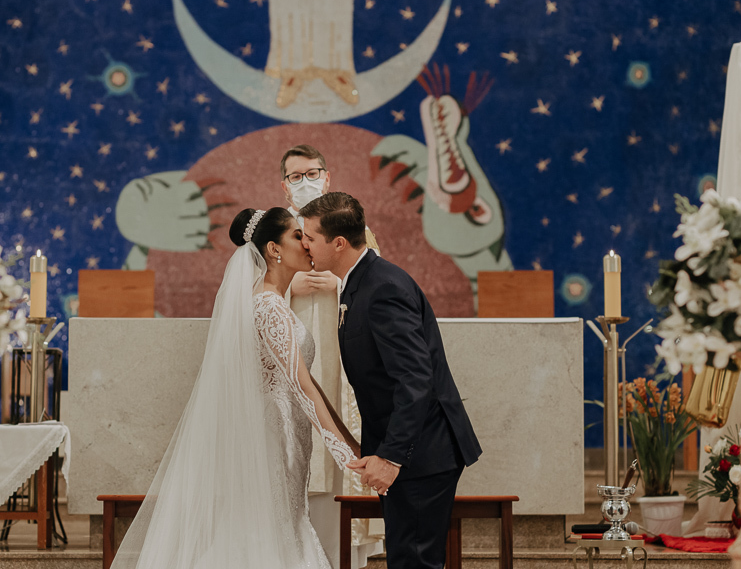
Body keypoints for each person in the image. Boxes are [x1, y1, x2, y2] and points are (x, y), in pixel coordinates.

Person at [111, 207, 359, 569]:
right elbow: (302, 384)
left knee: (275, 528)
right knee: (268, 535)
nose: (306, 244)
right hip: (274, 436)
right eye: (296, 236)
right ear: (274, 249)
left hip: (280, 432)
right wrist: (347, 454)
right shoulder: (269, 307)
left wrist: (348, 443)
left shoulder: (268, 300)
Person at [300, 192, 484, 569]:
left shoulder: (382, 288)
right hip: (411, 450)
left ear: (338, 242)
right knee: (406, 558)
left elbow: (415, 379)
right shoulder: (358, 282)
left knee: (413, 561)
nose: (305, 245)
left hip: (422, 454)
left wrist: (391, 457)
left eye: (310, 238)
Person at [280, 144, 383, 568]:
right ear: (283, 185)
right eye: (295, 176)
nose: (304, 181)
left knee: (342, 440)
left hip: (342, 362)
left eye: (312, 172)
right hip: (295, 357)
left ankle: (346, 556)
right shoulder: (276, 230)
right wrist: (291, 289)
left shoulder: (351, 227)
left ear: (327, 174)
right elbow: (248, 297)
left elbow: (375, 284)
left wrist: (337, 286)